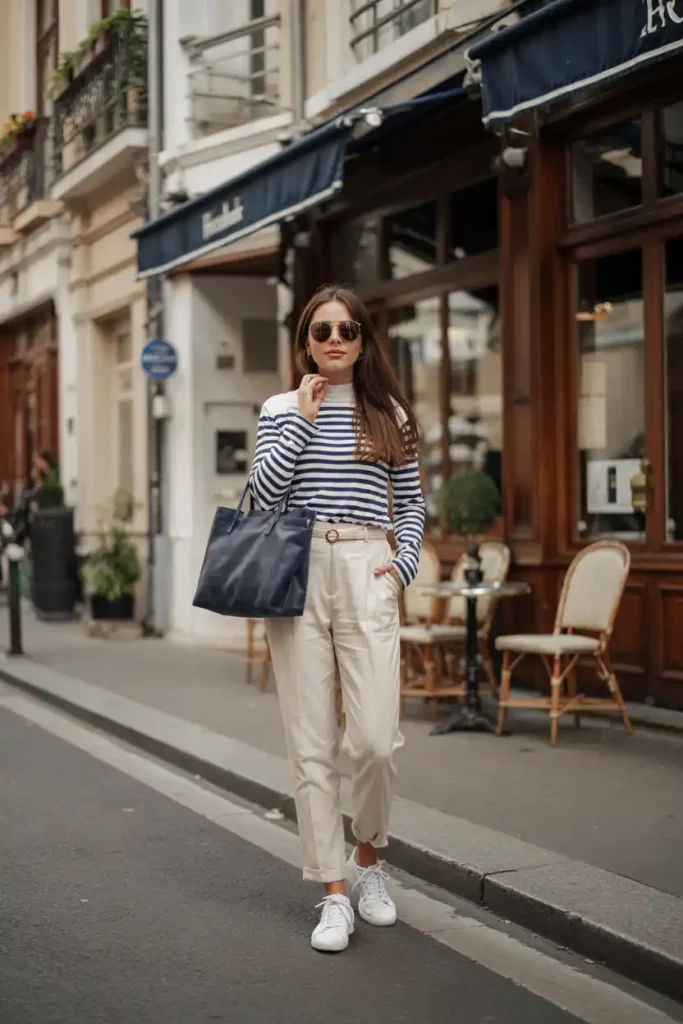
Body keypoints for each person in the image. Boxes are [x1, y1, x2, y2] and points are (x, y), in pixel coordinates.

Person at [249, 285, 426, 953]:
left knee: (376, 740)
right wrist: (300, 415)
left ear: (362, 339)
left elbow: (410, 505)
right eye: (320, 329)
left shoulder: (390, 415)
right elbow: (266, 492)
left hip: (366, 565)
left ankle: (366, 862)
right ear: (304, 340)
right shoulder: (278, 409)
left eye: (346, 328)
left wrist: (401, 564)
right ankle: (330, 893)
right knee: (311, 742)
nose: (333, 338)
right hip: (298, 566)